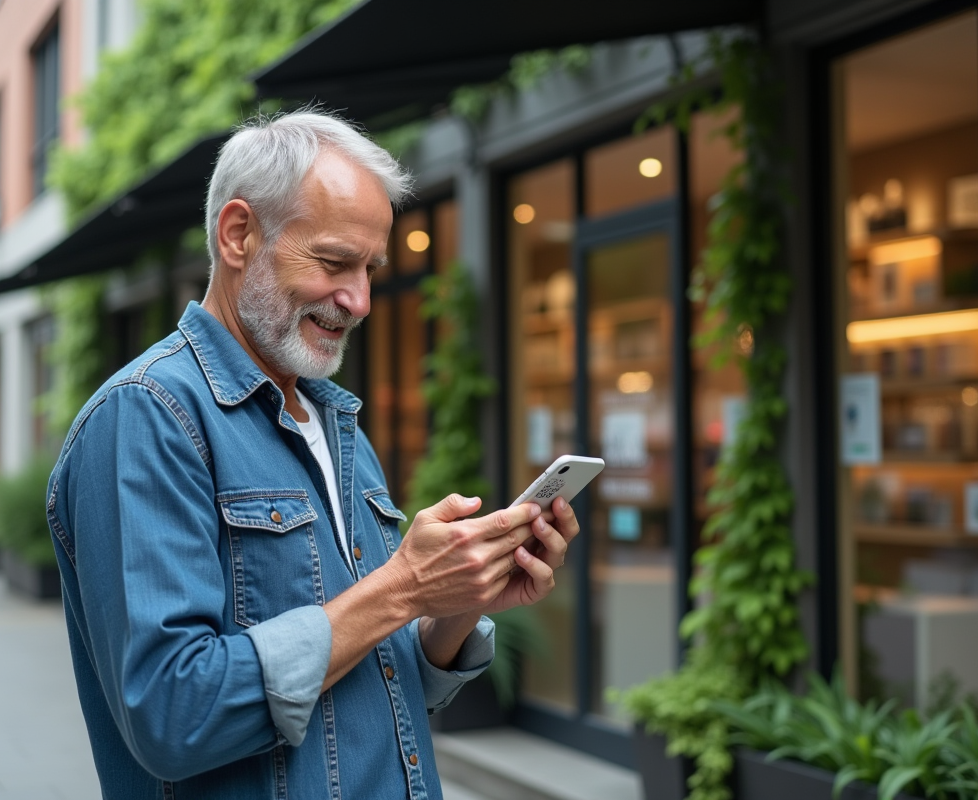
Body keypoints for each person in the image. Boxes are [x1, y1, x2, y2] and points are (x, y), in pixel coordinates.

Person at [47, 110, 580, 799]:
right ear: (238, 235)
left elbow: (376, 685)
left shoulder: (333, 420)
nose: (360, 300)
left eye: (371, 269)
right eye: (333, 263)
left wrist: (452, 603)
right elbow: (172, 715)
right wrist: (402, 587)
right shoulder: (146, 415)